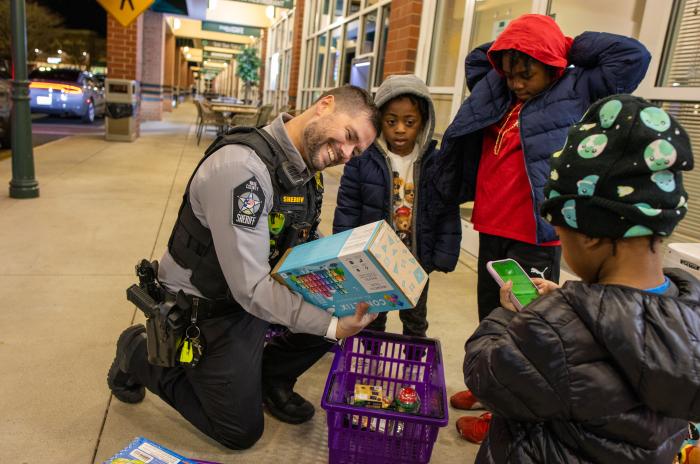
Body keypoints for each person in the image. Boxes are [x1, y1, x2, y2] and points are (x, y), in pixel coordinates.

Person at [107, 86, 381, 450]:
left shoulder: (304, 168)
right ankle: (137, 352)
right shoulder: (242, 170)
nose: (346, 154)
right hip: (209, 311)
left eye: (357, 150)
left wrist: (352, 278)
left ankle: (268, 379)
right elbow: (250, 289)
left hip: (254, 298)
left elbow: (301, 234)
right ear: (325, 105)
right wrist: (333, 325)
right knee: (239, 432)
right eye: (349, 137)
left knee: (347, 304)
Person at [431, 14, 652, 436]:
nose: (516, 82)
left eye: (525, 73)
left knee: (526, 328)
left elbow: (632, 56)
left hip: (535, 234)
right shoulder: (498, 92)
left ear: (550, 62)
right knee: (490, 316)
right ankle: (488, 387)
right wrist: (517, 50)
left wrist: (561, 44)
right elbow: (481, 60)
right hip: (493, 224)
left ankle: (506, 414)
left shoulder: (577, 87)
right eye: (509, 74)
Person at [463, 94, 699, 462]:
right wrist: (584, 304)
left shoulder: (555, 328)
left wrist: (509, 316)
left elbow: (486, 375)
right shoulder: (689, 314)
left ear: (589, 233)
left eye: (561, 232)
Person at [333, 74, 461, 339]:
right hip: (373, 260)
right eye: (392, 122)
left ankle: (412, 368)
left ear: (423, 123)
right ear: (379, 122)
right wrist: (343, 249)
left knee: (415, 319)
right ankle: (369, 365)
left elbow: (446, 210)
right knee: (371, 319)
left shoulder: (434, 164)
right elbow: (348, 207)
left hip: (417, 260)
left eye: (409, 122)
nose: (400, 129)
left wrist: (444, 254)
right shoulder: (362, 160)